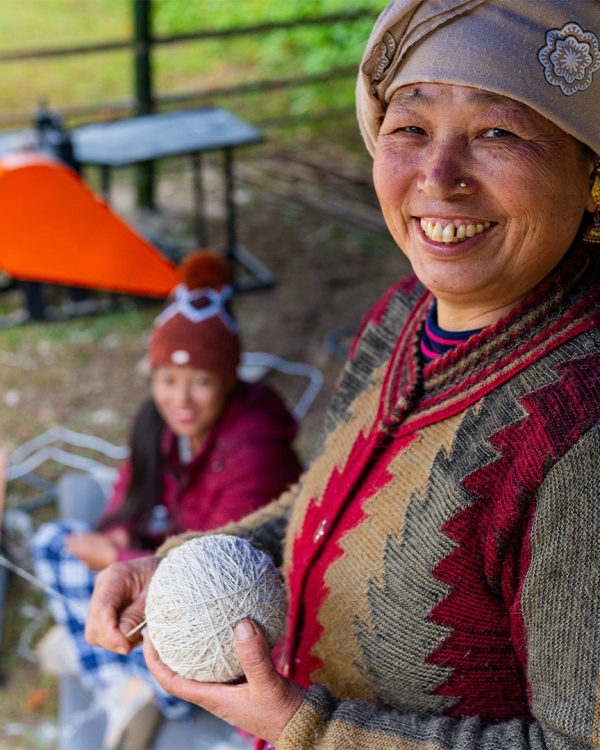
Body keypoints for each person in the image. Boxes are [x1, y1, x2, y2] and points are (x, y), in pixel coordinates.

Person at [86, 1, 600, 748]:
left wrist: (310, 729)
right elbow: (329, 494)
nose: (439, 175)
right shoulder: (402, 314)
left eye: (499, 132)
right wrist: (179, 566)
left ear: (589, 167)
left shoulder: (579, 437)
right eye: (410, 128)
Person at [31, 250, 302, 749]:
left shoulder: (254, 450)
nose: (181, 398)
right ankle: (124, 687)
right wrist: (117, 535)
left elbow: (225, 570)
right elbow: (130, 492)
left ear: (226, 381)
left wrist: (118, 557)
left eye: (200, 381)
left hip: (229, 615)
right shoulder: (163, 425)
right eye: (167, 380)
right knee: (55, 543)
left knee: (120, 600)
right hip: (169, 561)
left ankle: (160, 688)